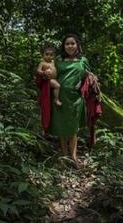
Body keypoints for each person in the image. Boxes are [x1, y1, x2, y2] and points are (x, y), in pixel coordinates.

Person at [45, 34, 89, 166]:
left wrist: (83, 84)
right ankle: (64, 156)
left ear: (77, 45)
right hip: (59, 97)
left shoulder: (83, 61)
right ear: (64, 46)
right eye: (67, 44)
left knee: (73, 128)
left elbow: (88, 76)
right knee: (61, 127)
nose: (70, 46)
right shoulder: (58, 60)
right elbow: (51, 74)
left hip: (75, 98)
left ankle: (74, 157)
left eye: (72, 43)